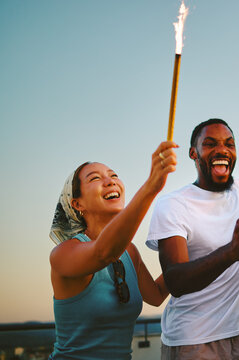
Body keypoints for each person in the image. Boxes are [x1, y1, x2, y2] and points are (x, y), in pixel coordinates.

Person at [146, 118, 239, 359]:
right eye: (210, 144)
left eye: (229, 144)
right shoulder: (173, 204)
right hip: (194, 341)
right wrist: (232, 251)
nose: (222, 150)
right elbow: (175, 280)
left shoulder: (237, 193)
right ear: (193, 153)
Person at [48, 141, 177, 359]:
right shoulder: (63, 254)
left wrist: (194, 251)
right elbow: (103, 253)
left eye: (114, 175)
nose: (110, 181)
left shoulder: (130, 252)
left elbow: (155, 296)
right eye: (95, 178)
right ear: (77, 204)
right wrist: (150, 187)